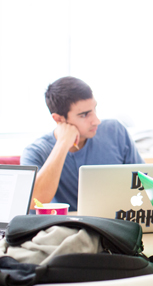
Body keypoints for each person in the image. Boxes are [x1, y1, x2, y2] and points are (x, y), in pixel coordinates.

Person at [21, 76, 144, 211]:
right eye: (84, 115)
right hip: (67, 229)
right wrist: (63, 144)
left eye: (94, 109)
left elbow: (144, 183)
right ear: (59, 119)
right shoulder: (36, 151)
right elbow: (35, 201)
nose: (96, 121)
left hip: (115, 222)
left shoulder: (115, 131)